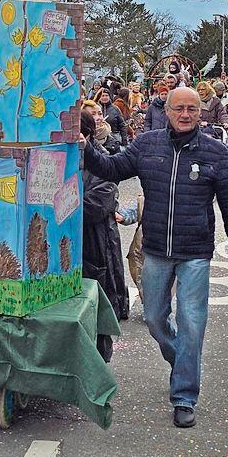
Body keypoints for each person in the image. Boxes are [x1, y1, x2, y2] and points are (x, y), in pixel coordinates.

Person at [80, 87, 228, 428]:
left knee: (192, 324)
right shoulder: (147, 144)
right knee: (156, 319)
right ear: (168, 110)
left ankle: (184, 395)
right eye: (179, 108)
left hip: (195, 254)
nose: (185, 114)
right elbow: (112, 168)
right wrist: (88, 150)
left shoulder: (216, 153)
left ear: (200, 112)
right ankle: (182, 359)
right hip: (155, 250)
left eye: (192, 108)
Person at [80, 110, 129, 363]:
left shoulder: (103, 163)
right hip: (72, 248)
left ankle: (98, 362)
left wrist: (59, 206)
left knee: (97, 303)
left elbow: (97, 204)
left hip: (95, 246)